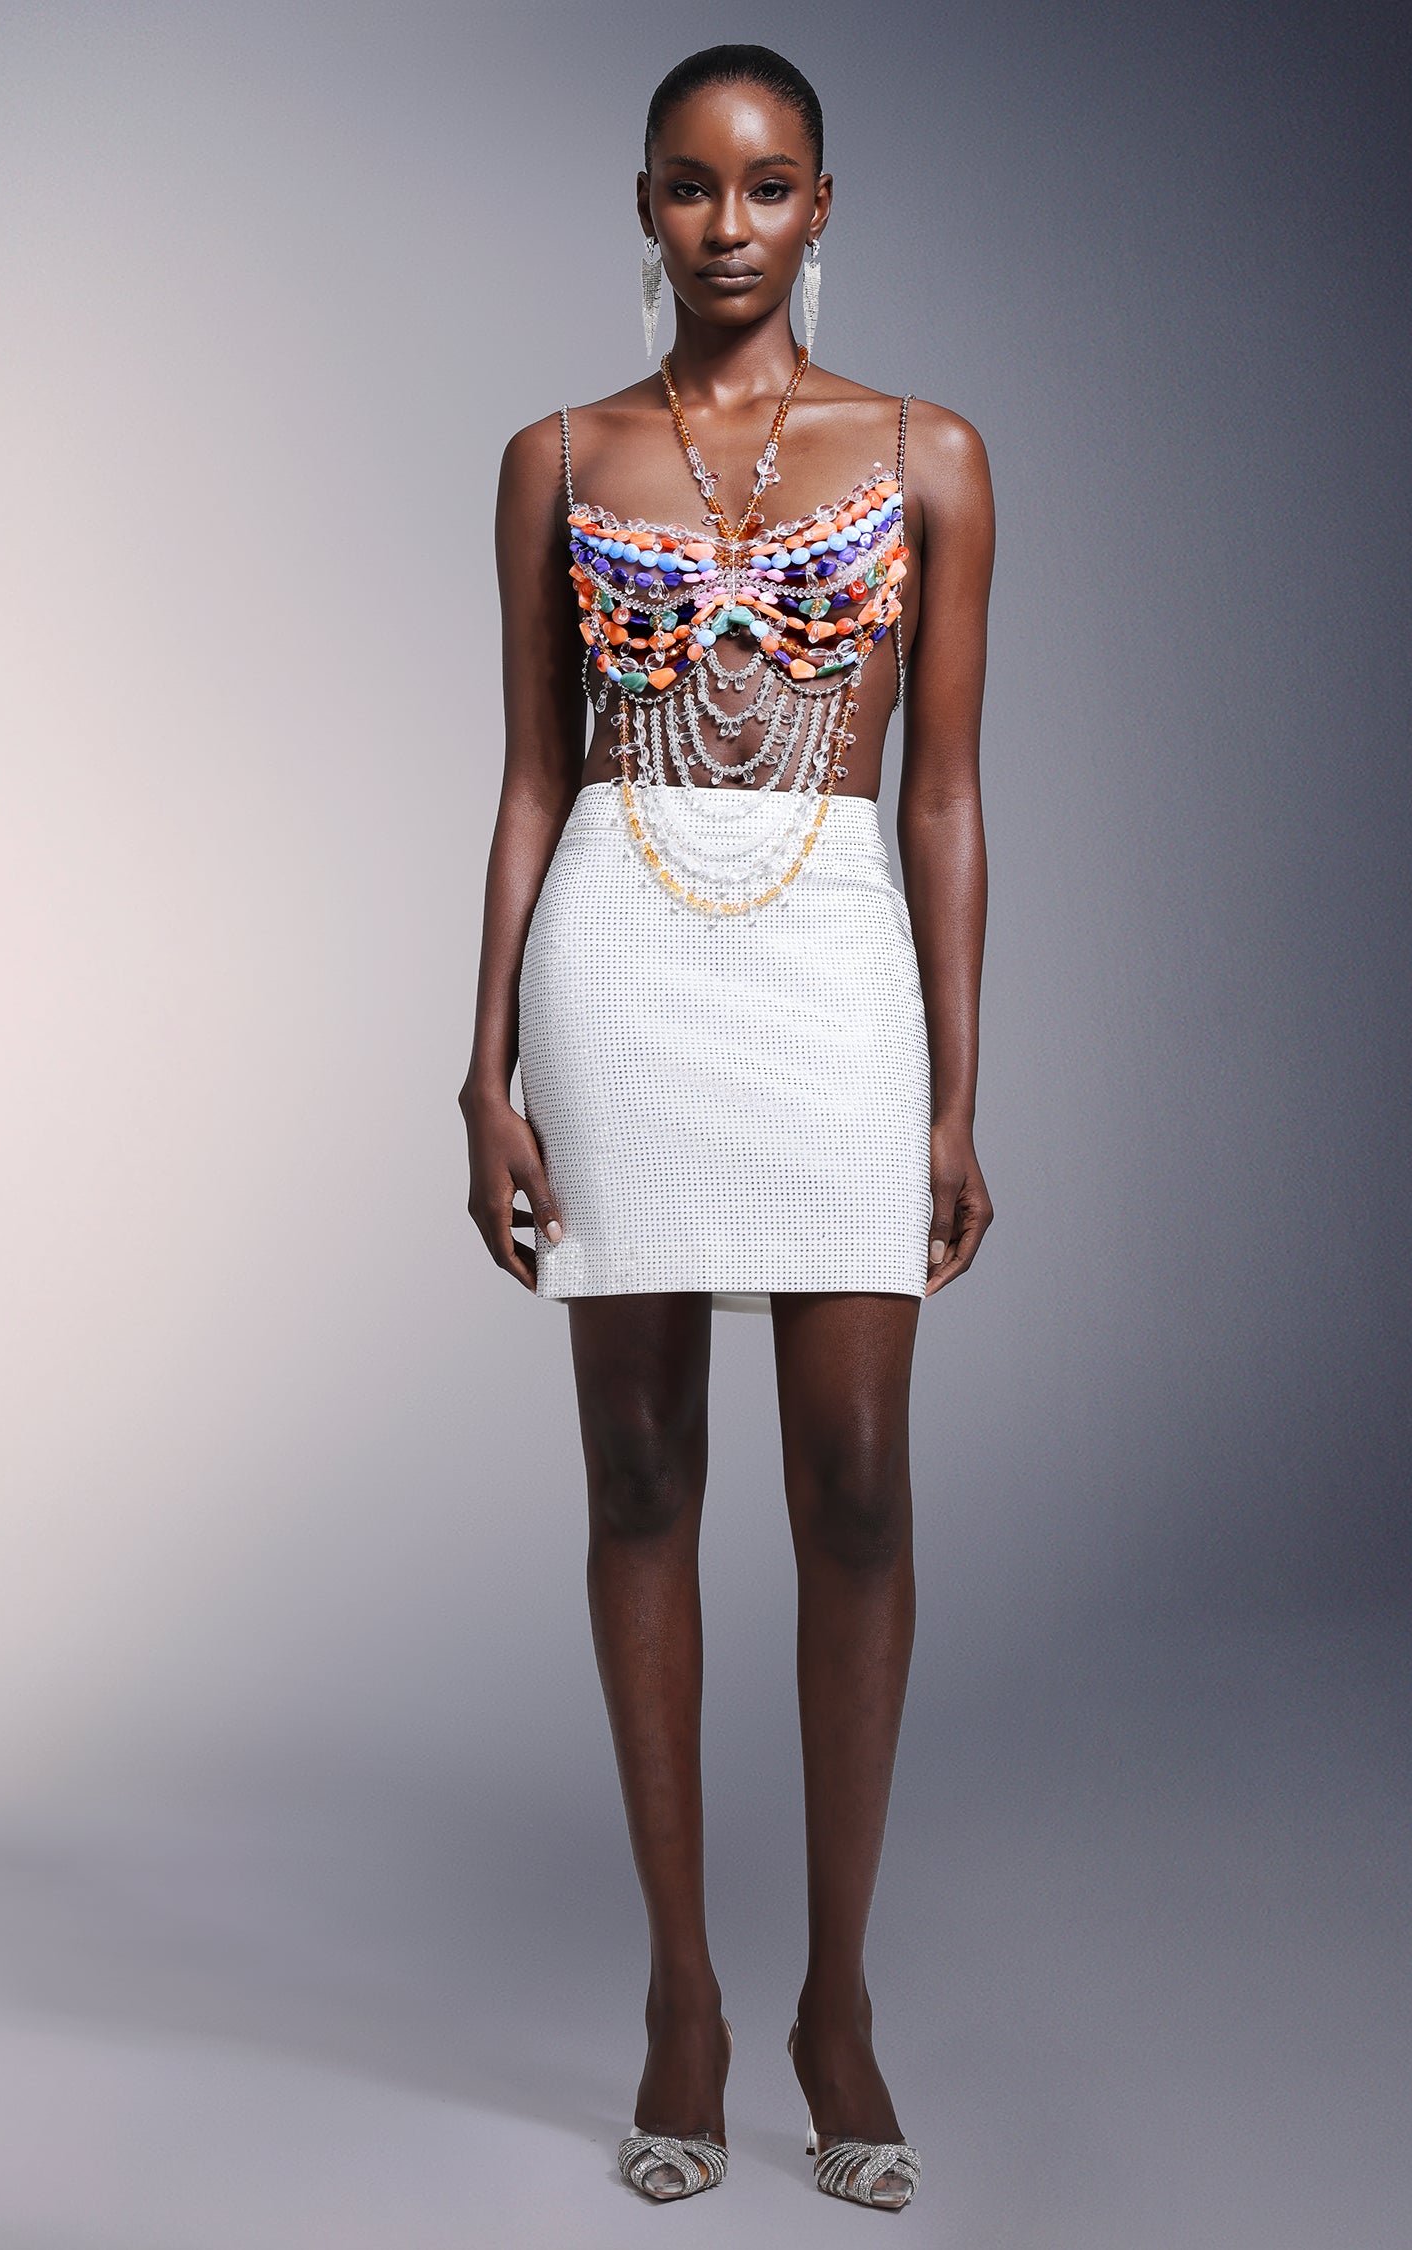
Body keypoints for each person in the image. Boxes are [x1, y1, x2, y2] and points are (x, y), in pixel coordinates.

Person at [459, 43, 994, 2211]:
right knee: (642, 1469)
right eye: (690, 186)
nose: (729, 225)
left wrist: (957, 1087)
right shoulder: (559, 456)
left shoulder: (931, 454)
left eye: (769, 187)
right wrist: (481, 1063)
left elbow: (943, 796)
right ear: (645, 207)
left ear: (825, 205)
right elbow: (531, 778)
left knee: (854, 1482)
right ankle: (682, 1997)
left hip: (833, 966)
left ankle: (833, 2002)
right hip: (620, 963)